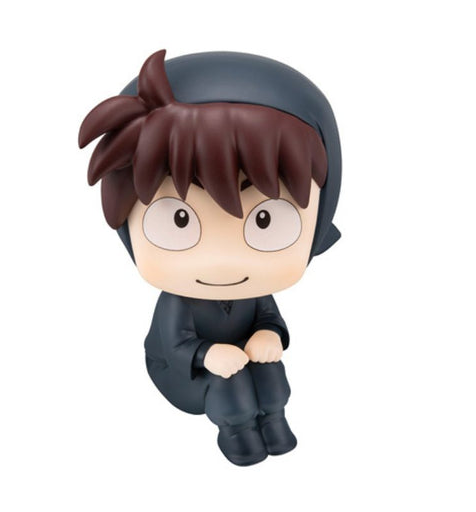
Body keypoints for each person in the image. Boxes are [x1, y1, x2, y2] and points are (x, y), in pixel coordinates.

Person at [79, 49, 342, 466]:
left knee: (270, 371)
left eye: (265, 220)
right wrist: (207, 355)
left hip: (240, 360)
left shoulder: (255, 292)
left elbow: (268, 318)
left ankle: (274, 419)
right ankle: (238, 434)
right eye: (178, 219)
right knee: (229, 385)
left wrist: (269, 335)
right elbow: (174, 345)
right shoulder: (178, 301)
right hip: (187, 375)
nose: (222, 260)